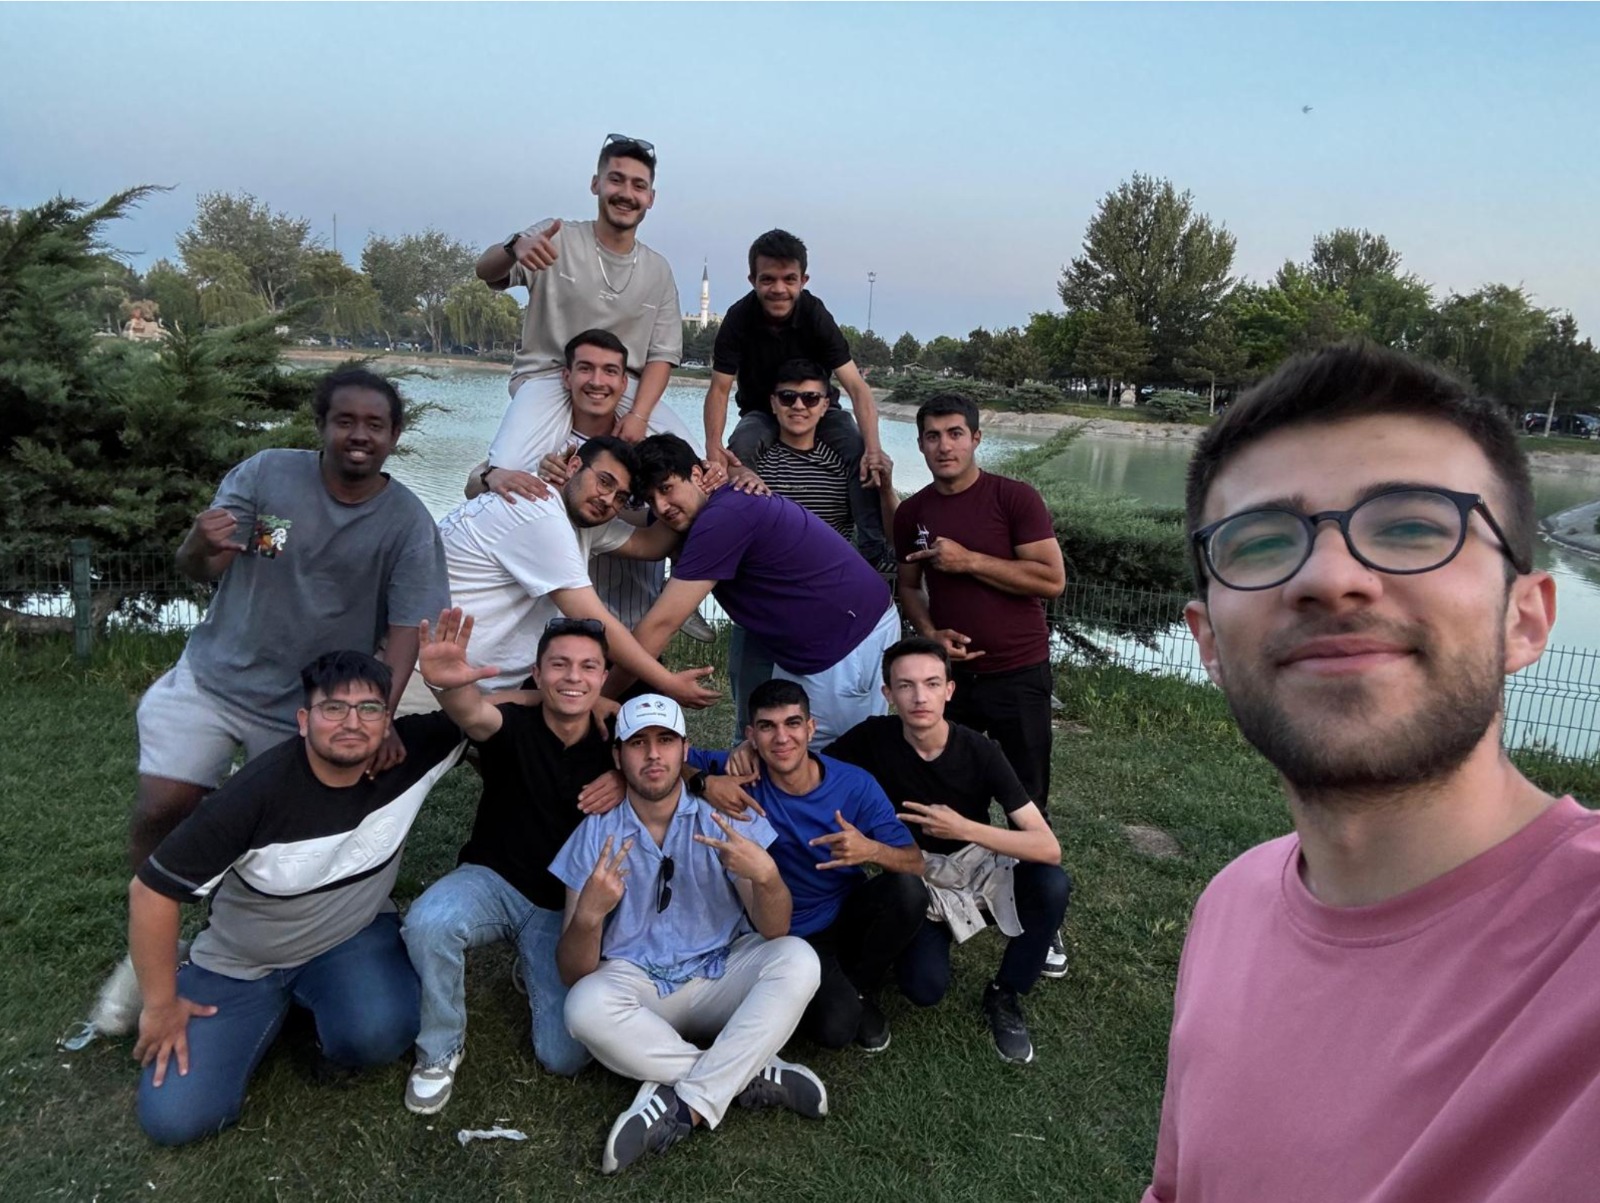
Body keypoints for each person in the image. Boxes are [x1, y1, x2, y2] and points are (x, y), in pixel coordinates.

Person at [1144, 342, 1592, 1201]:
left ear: (1526, 618)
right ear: (1209, 643)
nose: (1330, 577)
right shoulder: (1230, 903)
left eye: (1414, 526)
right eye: (1260, 541)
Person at [91, 368, 449, 1039]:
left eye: (375, 424)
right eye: (345, 420)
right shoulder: (265, 475)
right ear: (322, 426)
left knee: (276, 833)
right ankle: (152, 944)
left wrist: (378, 715)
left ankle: (264, 946)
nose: (360, 434)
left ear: (395, 436)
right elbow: (199, 565)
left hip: (307, 710)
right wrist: (200, 545)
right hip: (215, 677)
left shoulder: (407, 522)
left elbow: (408, 630)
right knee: (164, 803)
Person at [129, 652, 466, 1146]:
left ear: (387, 719)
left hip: (350, 938)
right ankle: (227, 996)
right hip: (242, 963)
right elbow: (152, 891)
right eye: (334, 709)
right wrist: (160, 1006)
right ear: (304, 720)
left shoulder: (413, 753)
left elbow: (491, 712)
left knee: (382, 1033)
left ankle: (319, 1011)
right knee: (176, 1119)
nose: (352, 723)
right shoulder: (254, 795)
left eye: (369, 709)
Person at [552, 694, 826, 1174]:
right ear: (617, 756)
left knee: (799, 959)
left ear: (685, 749)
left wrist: (767, 878)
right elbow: (574, 973)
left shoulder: (723, 814)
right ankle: (744, 1072)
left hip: (721, 971)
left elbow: (775, 929)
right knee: (583, 1007)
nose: (653, 755)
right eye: (637, 743)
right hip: (638, 983)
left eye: (665, 740)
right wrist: (589, 916)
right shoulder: (596, 832)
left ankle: (683, 1103)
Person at [399, 609, 623, 1115]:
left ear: (603, 676)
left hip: (562, 909)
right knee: (430, 923)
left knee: (565, 1057)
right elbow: (472, 713)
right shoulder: (512, 723)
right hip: (493, 879)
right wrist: (445, 684)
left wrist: (625, 780)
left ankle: (532, 965)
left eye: (588, 666)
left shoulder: (617, 739)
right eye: (559, 664)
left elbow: (669, 768)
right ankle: (439, 1050)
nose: (573, 676)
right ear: (538, 674)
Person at [827, 637, 1070, 1065]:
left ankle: (1006, 993)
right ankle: (914, 941)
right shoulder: (872, 738)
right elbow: (813, 772)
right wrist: (748, 754)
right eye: (905, 686)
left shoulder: (980, 750)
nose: (920, 697)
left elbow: (1047, 847)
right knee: (924, 989)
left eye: (932, 683)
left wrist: (963, 828)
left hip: (978, 866)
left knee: (1051, 883)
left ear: (949, 691)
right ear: (887, 693)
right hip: (918, 878)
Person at [894, 391, 1068, 974]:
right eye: (932, 436)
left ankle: (1043, 916)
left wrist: (970, 562)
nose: (944, 446)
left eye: (954, 433)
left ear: (975, 438)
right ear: (920, 444)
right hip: (953, 684)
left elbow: (1051, 580)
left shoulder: (1014, 498)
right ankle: (946, 900)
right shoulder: (912, 513)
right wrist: (931, 635)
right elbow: (909, 588)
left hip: (1019, 674)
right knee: (949, 792)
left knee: (1027, 797)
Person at [687, 679, 926, 1052]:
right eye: (767, 727)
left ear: (811, 728)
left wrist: (872, 850)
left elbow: (915, 862)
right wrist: (705, 782)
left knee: (908, 891)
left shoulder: (854, 784)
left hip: (846, 910)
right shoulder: (740, 775)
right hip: (788, 933)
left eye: (793, 723)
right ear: (751, 735)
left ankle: (858, 985)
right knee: (835, 1031)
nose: (782, 738)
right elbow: (671, 759)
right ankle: (836, 992)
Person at [627, 433, 899, 745]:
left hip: (848, 637)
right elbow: (636, 527)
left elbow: (659, 626)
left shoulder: (723, 518)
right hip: (816, 638)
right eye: (651, 498)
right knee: (771, 744)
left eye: (666, 488)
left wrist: (604, 695)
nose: (661, 507)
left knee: (828, 755)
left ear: (698, 475)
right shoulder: (710, 503)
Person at [430, 435, 717, 711]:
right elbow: (594, 617)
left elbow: (650, 544)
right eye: (604, 481)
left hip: (473, 681)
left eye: (621, 497)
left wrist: (698, 490)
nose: (607, 499)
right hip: (431, 676)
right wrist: (667, 681)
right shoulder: (537, 511)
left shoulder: (577, 515)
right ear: (574, 466)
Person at [473, 135, 695, 483]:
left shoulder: (658, 270)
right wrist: (514, 248)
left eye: (639, 185)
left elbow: (662, 356)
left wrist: (638, 416)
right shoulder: (555, 238)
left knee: (691, 470)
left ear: (650, 198)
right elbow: (485, 271)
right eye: (616, 180)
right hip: (547, 378)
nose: (626, 193)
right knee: (508, 472)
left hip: (621, 388)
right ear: (596, 184)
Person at [727, 358, 902, 733]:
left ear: (825, 406)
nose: (798, 407)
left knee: (824, 726)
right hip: (763, 609)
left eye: (810, 398)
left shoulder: (844, 467)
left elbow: (885, 531)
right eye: (788, 397)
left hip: (824, 616)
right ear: (772, 403)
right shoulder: (754, 467)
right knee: (750, 721)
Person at [700, 229, 889, 564]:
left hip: (818, 408)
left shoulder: (815, 315)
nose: (779, 289)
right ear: (752, 280)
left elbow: (856, 386)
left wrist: (873, 449)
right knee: (739, 449)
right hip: (760, 409)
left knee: (858, 449)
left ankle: (874, 551)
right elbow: (719, 388)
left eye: (789, 279)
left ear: (803, 280)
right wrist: (713, 448)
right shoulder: (739, 318)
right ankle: (745, 541)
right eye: (768, 279)